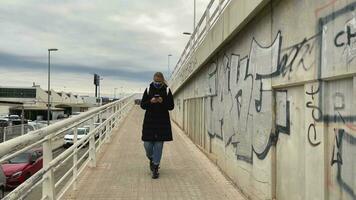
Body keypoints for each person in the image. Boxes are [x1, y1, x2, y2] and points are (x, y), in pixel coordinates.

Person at [140, 72, 174, 179]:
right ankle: (152, 158)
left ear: (162, 80)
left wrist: (162, 101)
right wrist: (151, 101)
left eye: (159, 81)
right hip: (149, 121)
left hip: (162, 122)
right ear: (153, 80)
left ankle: (155, 167)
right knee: (147, 145)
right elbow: (142, 105)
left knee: (159, 145)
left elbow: (171, 106)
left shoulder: (167, 90)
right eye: (156, 81)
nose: (157, 83)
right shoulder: (148, 89)